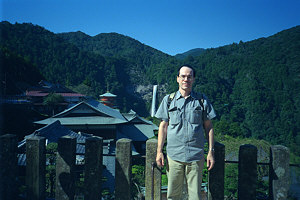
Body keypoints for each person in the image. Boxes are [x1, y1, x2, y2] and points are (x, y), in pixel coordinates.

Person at [155, 64, 216, 200]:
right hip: (173, 156)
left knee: (195, 196)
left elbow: (209, 127)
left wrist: (211, 152)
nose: (186, 79)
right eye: (183, 76)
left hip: (195, 157)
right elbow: (163, 126)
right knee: (172, 196)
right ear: (177, 78)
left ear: (193, 79)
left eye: (189, 76)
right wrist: (159, 151)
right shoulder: (168, 100)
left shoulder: (201, 100)